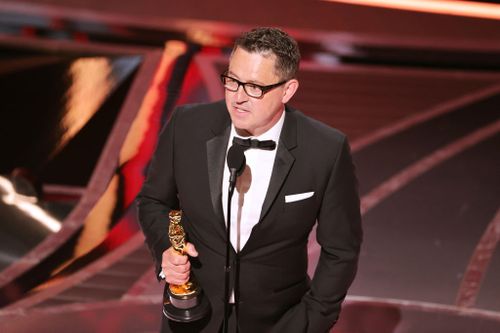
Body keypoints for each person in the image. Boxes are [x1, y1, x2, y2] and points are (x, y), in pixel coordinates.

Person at [137, 27, 362, 333]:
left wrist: (310, 321)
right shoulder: (186, 127)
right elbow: (153, 201)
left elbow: (341, 249)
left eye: (255, 87)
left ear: (287, 90)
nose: (239, 97)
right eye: (232, 80)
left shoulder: (325, 149)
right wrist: (167, 250)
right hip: (193, 318)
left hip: (278, 323)